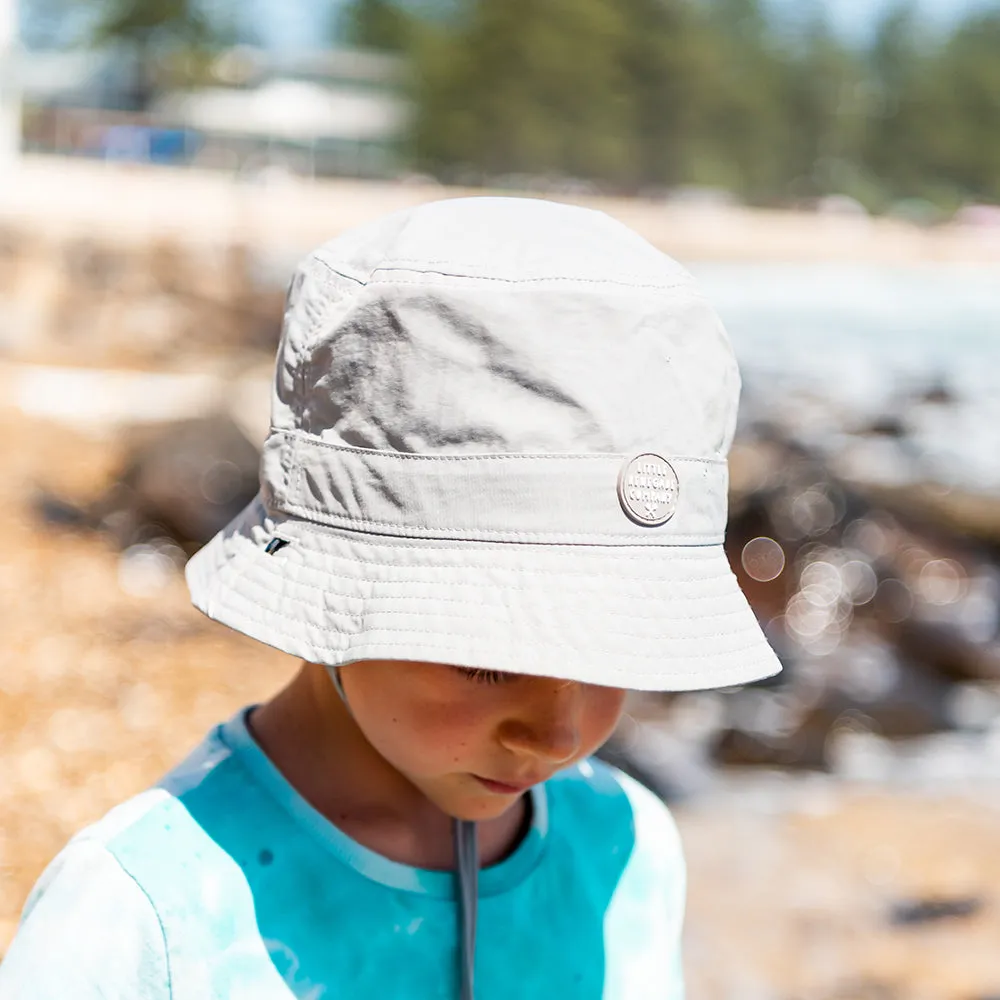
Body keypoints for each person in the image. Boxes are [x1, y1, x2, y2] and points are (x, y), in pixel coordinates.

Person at [0, 197, 780, 999]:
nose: (557, 731)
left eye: (614, 647)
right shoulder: (147, 913)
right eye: (489, 659)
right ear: (339, 589)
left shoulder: (626, 851)